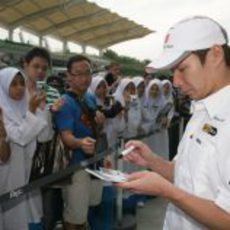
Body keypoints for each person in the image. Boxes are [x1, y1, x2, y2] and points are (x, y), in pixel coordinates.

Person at [117, 16, 230, 229]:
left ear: (216, 55)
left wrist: (168, 192)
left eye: (183, 68)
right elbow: (184, 174)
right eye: (173, 72)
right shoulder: (201, 110)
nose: (176, 82)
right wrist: (152, 161)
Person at [54, 55, 104, 230]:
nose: (84, 78)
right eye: (78, 74)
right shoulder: (65, 102)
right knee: (74, 216)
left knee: (85, 208)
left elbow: (94, 129)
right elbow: (66, 136)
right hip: (75, 167)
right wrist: (80, 143)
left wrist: (100, 121)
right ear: (69, 76)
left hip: (93, 162)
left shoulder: (89, 97)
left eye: (87, 73)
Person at [0, 67, 49, 230]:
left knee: (32, 217)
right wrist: (32, 111)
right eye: (13, 84)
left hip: (30, 175)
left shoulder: (26, 106)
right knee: (13, 217)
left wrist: (43, 109)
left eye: (22, 83)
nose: (19, 88)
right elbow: (20, 137)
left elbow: (45, 136)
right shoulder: (2, 113)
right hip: (9, 177)